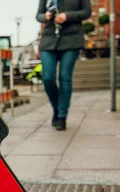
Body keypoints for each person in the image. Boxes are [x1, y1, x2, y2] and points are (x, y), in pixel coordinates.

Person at [37, 0, 91, 131]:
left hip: (71, 39)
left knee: (65, 77)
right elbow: (39, 15)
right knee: (47, 78)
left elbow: (86, 12)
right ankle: (56, 108)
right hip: (49, 39)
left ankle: (62, 115)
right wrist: (46, 16)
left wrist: (67, 16)